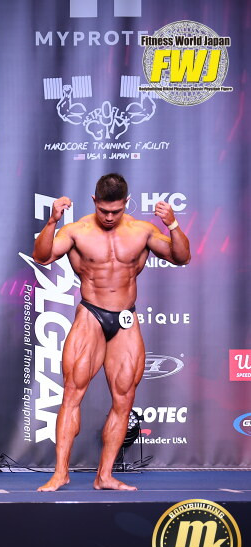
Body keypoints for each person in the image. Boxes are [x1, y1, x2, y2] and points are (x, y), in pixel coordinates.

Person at [33, 173, 190, 491]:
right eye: (104, 210)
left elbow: (181, 257)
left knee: (124, 399)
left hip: (126, 319)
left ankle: (104, 475)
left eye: (116, 211)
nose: (109, 217)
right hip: (91, 314)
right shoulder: (76, 231)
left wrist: (172, 225)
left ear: (127, 203)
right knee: (72, 394)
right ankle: (61, 473)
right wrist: (52, 221)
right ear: (94, 201)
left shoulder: (142, 231)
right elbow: (42, 256)